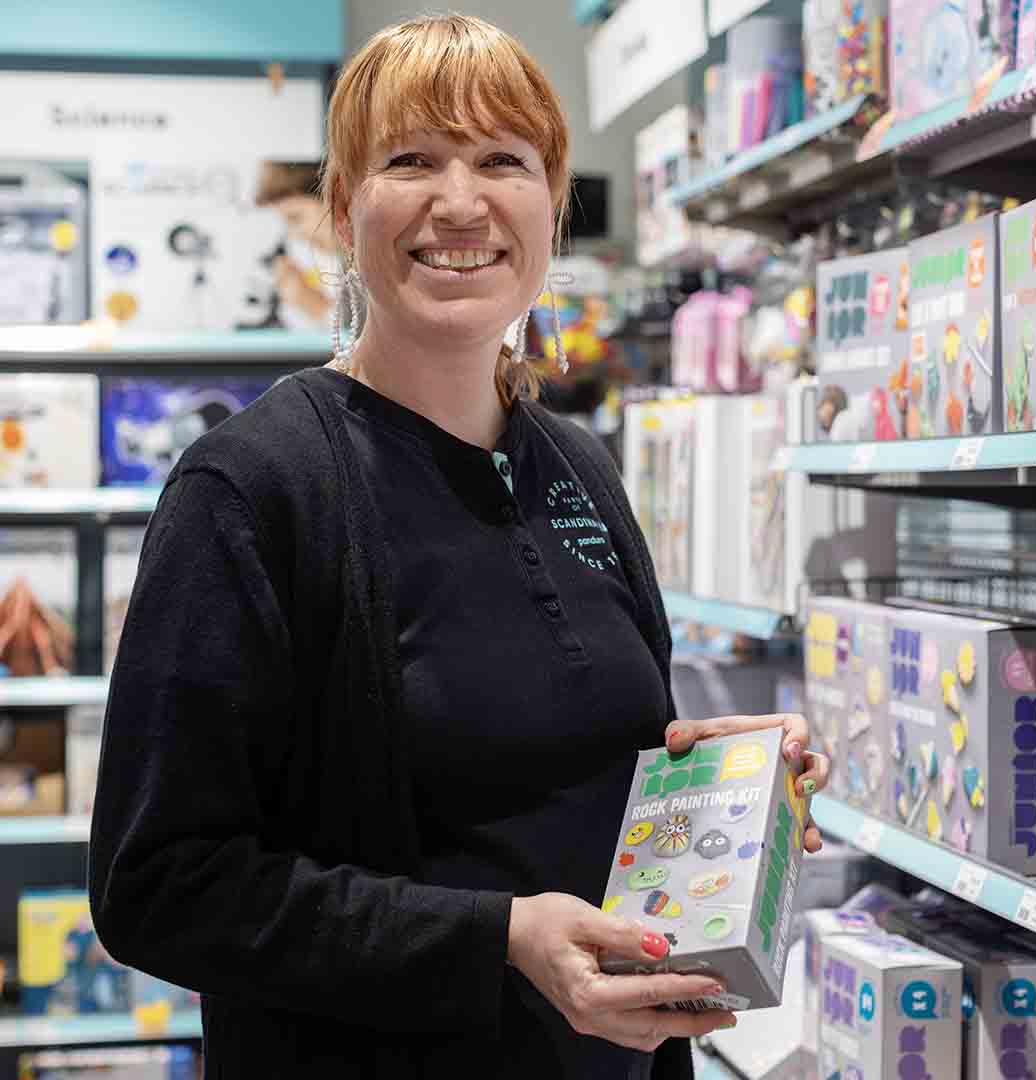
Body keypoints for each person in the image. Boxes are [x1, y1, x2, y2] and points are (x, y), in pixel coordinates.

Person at [88, 15, 830, 1079]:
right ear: (344, 210)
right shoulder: (252, 490)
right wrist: (498, 941)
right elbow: (157, 884)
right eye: (411, 160)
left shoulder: (579, 467)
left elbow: (560, 772)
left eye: (501, 161)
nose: (462, 203)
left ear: (552, 204)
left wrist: (719, 783)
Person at [252, 160, 341, 329]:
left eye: (296, 218)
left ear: (337, 200)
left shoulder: (374, 263)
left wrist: (316, 306)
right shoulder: (313, 259)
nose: (294, 234)